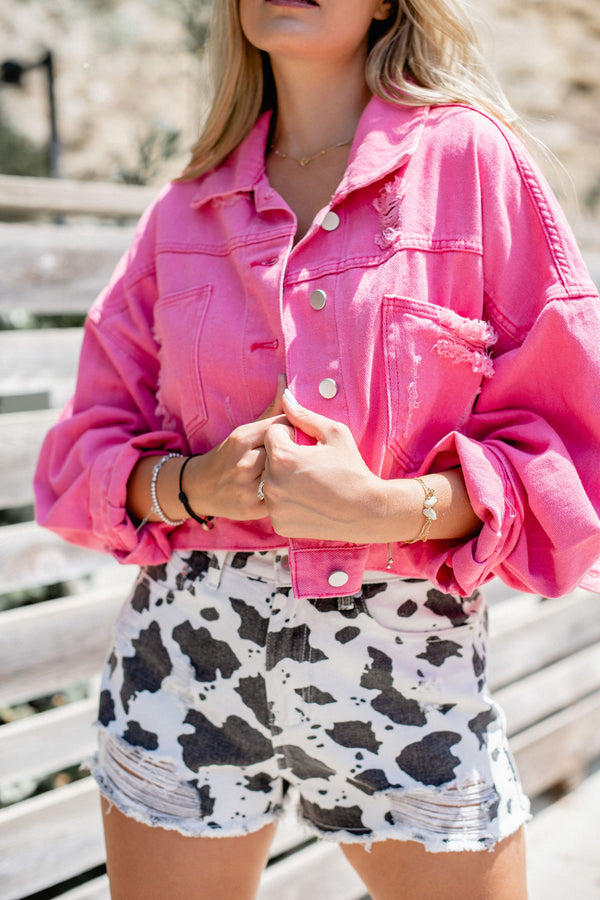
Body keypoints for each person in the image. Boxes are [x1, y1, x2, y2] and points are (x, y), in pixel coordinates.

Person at [34, 0, 600, 897]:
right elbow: (79, 461)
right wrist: (194, 485)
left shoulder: (469, 160)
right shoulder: (185, 208)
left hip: (403, 671)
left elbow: (576, 455)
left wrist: (388, 509)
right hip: (186, 663)